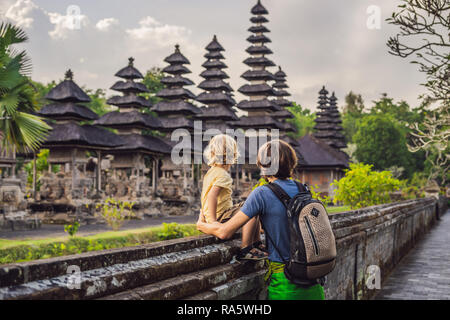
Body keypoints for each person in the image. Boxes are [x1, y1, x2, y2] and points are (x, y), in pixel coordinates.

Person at [197, 139, 325, 300]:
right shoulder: (303, 189)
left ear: (263, 166)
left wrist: (202, 225)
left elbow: (224, 232)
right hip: (315, 283)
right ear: (292, 164)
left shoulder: (261, 194)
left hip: (286, 285)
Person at [201, 134, 266, 260]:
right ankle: (246, 247)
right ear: (233, 154)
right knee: (251, 207)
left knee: (251, 205)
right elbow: (211, 196)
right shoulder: (223, 175)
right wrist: (214, 221)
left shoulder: (211, 171)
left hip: (214, 214)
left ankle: (257, 242)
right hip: (220, 215)